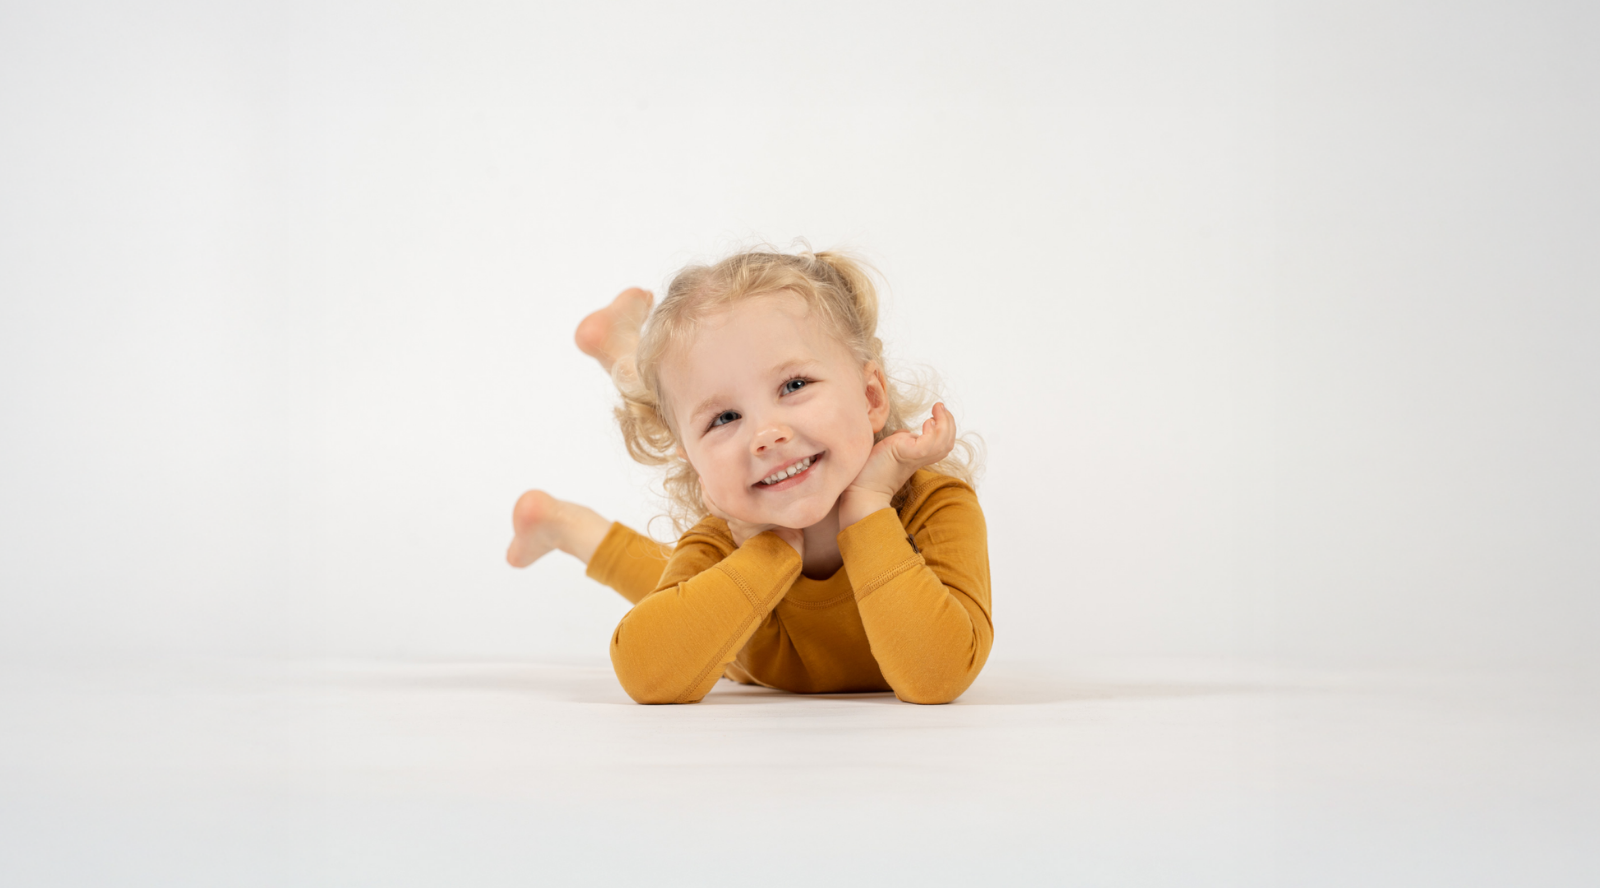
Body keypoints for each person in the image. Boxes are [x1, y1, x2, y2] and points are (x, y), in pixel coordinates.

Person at [506, 248, 991, 704]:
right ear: (693, 462)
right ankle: (563, 523)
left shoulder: (937, 506)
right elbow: (647, 674)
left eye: (794, 385)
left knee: (665, 574)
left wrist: (868, 506)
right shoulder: (727, 538)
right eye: (724, 418)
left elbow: (938, 674)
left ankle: (620, 356)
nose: (766, 435)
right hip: (733, 631)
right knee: (664, 584)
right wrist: (769, 549)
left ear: (871, 398)